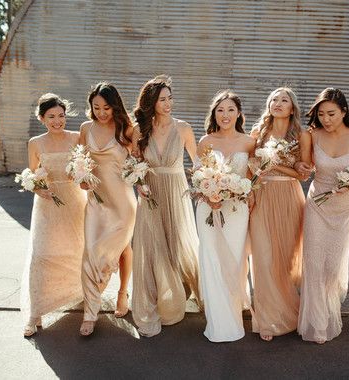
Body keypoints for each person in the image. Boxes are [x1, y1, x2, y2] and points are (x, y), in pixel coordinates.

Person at [296, 88, 349, 344]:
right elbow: (305, 168)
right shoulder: (312, 135)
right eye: (321, 114)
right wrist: (299, 165)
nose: (326, 119)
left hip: (344, 208)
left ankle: (330, 312)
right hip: (317, 205)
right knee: (315, 263)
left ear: (344, 111)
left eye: (331, 113)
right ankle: (317, 324)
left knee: (332, 266)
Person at [131, 75, 201, 337]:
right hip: (149, 194)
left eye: (170, 98)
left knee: (176, 244)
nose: (168, 103)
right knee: (151, 248)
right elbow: (134, 164)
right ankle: (156, 303)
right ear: (151, 102)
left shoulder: (182, 128)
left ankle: (179, 293)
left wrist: (211, 185)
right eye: (162, 99)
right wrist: (138, 183)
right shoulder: (140, 130)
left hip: (176, 192)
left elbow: (197, 163)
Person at [20, 93, 86, 337]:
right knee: (42, 255)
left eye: (61, 115)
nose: (58, 121)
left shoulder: (78, 137)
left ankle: (82, 296)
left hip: (74, 200)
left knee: (76, 250)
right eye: (51, 117)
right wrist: (39, 188)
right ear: (41, 118)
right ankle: (35, 313)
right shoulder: (35, 143)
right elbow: (31, 176)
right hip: (47, 205)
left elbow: (86, 169)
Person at [79, 82, 137, 336]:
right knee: (91, 252)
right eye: (96, 107)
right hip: (96, 201)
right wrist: (80, 177)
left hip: (123, 202)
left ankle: (123, 293)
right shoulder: (85, 128)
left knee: (123, 249)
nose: (102, 112)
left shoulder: (127, 129)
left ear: (115, 107)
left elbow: (137, 164)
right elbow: (80, 161)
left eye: (106, 107)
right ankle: (90, 313)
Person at [248, 87, 307, 342]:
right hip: (261, 195)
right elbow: (251, 166)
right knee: (262, 258)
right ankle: (266, 318)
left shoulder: (302, 136)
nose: (278, 103)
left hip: (289, 198)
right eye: (273, 99)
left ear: (292, 108)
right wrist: (249, 192)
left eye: (284, 100)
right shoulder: (257, 133)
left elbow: (304, 173)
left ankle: (285, 314)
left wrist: (277, 164)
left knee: (283, 259)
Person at [196, 90, 255, 342]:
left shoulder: (249, 142)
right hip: (208, 207)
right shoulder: (206, 141)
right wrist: (209, 195)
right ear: (214, 113)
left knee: (234, 259)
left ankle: (233, 313)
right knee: (211, 258)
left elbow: (252, 179)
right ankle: (217, 320)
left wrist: (244, 192)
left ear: (239, 113)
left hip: (237, 210)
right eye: (220, 110)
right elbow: (198, 177)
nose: (225, 115)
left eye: (230, 109)